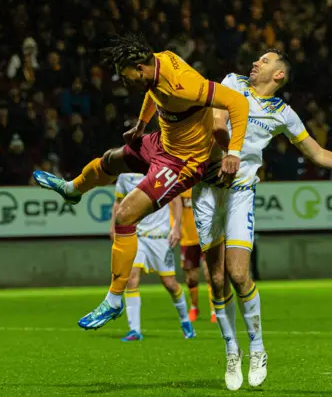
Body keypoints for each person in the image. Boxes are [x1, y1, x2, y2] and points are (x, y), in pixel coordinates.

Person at [194, 49, 332, 390]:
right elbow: (216, 123)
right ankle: (231, 349)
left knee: (238, 273)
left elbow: (316, 153)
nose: (255, 62)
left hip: (240, 190)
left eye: (265, 60)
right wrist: (228, 151)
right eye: (257, 58)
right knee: (215, 279)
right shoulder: (230, 83)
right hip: (207, 190)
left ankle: (257, 347)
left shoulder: (283, 114)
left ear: (279, 75)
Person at [33, 34, 250, 330]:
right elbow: (154, 94)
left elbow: (236, 102)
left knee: (125, 215)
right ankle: (72, 189)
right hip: (162, 142)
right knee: (110, 160)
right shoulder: (158, 63)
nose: (124, 84)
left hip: (181, 162)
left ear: (139, 68)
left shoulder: (183, 84)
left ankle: (113, 300)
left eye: (125, 78)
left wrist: (233, 152)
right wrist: (140, 126)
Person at [112, 173, 195, 341]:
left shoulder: (161, 170)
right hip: (137, 236)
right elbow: (119, 203)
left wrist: (177, 227)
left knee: (170, 284)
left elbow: (176, 199)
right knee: (131, 279)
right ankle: (134, 330)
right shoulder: (124, 176)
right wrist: (114, 226)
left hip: (160, 238)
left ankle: (185, 321)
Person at [178, 188, 216, 323]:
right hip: (188, 238)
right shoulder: (182, 184)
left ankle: (214, 310)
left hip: (208, 236)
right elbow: (173, 208)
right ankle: (194, 307)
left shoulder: (207, 185)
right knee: (191, 277)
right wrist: (175, 227)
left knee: (210, 274)